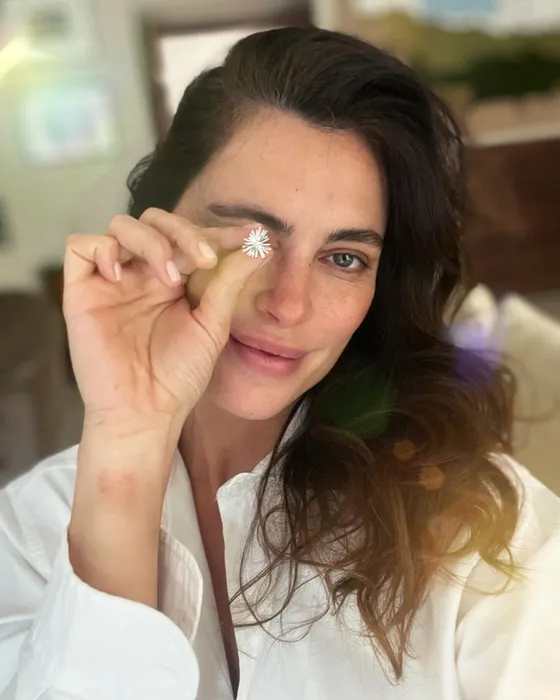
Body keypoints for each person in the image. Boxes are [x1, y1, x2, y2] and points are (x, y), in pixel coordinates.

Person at [0, 26, 558, 700]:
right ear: (156, 224)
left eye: (344, 258)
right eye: (253, 243)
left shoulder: (483, 530)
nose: (288, 306)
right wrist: (125, 446)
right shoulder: (29, 530)